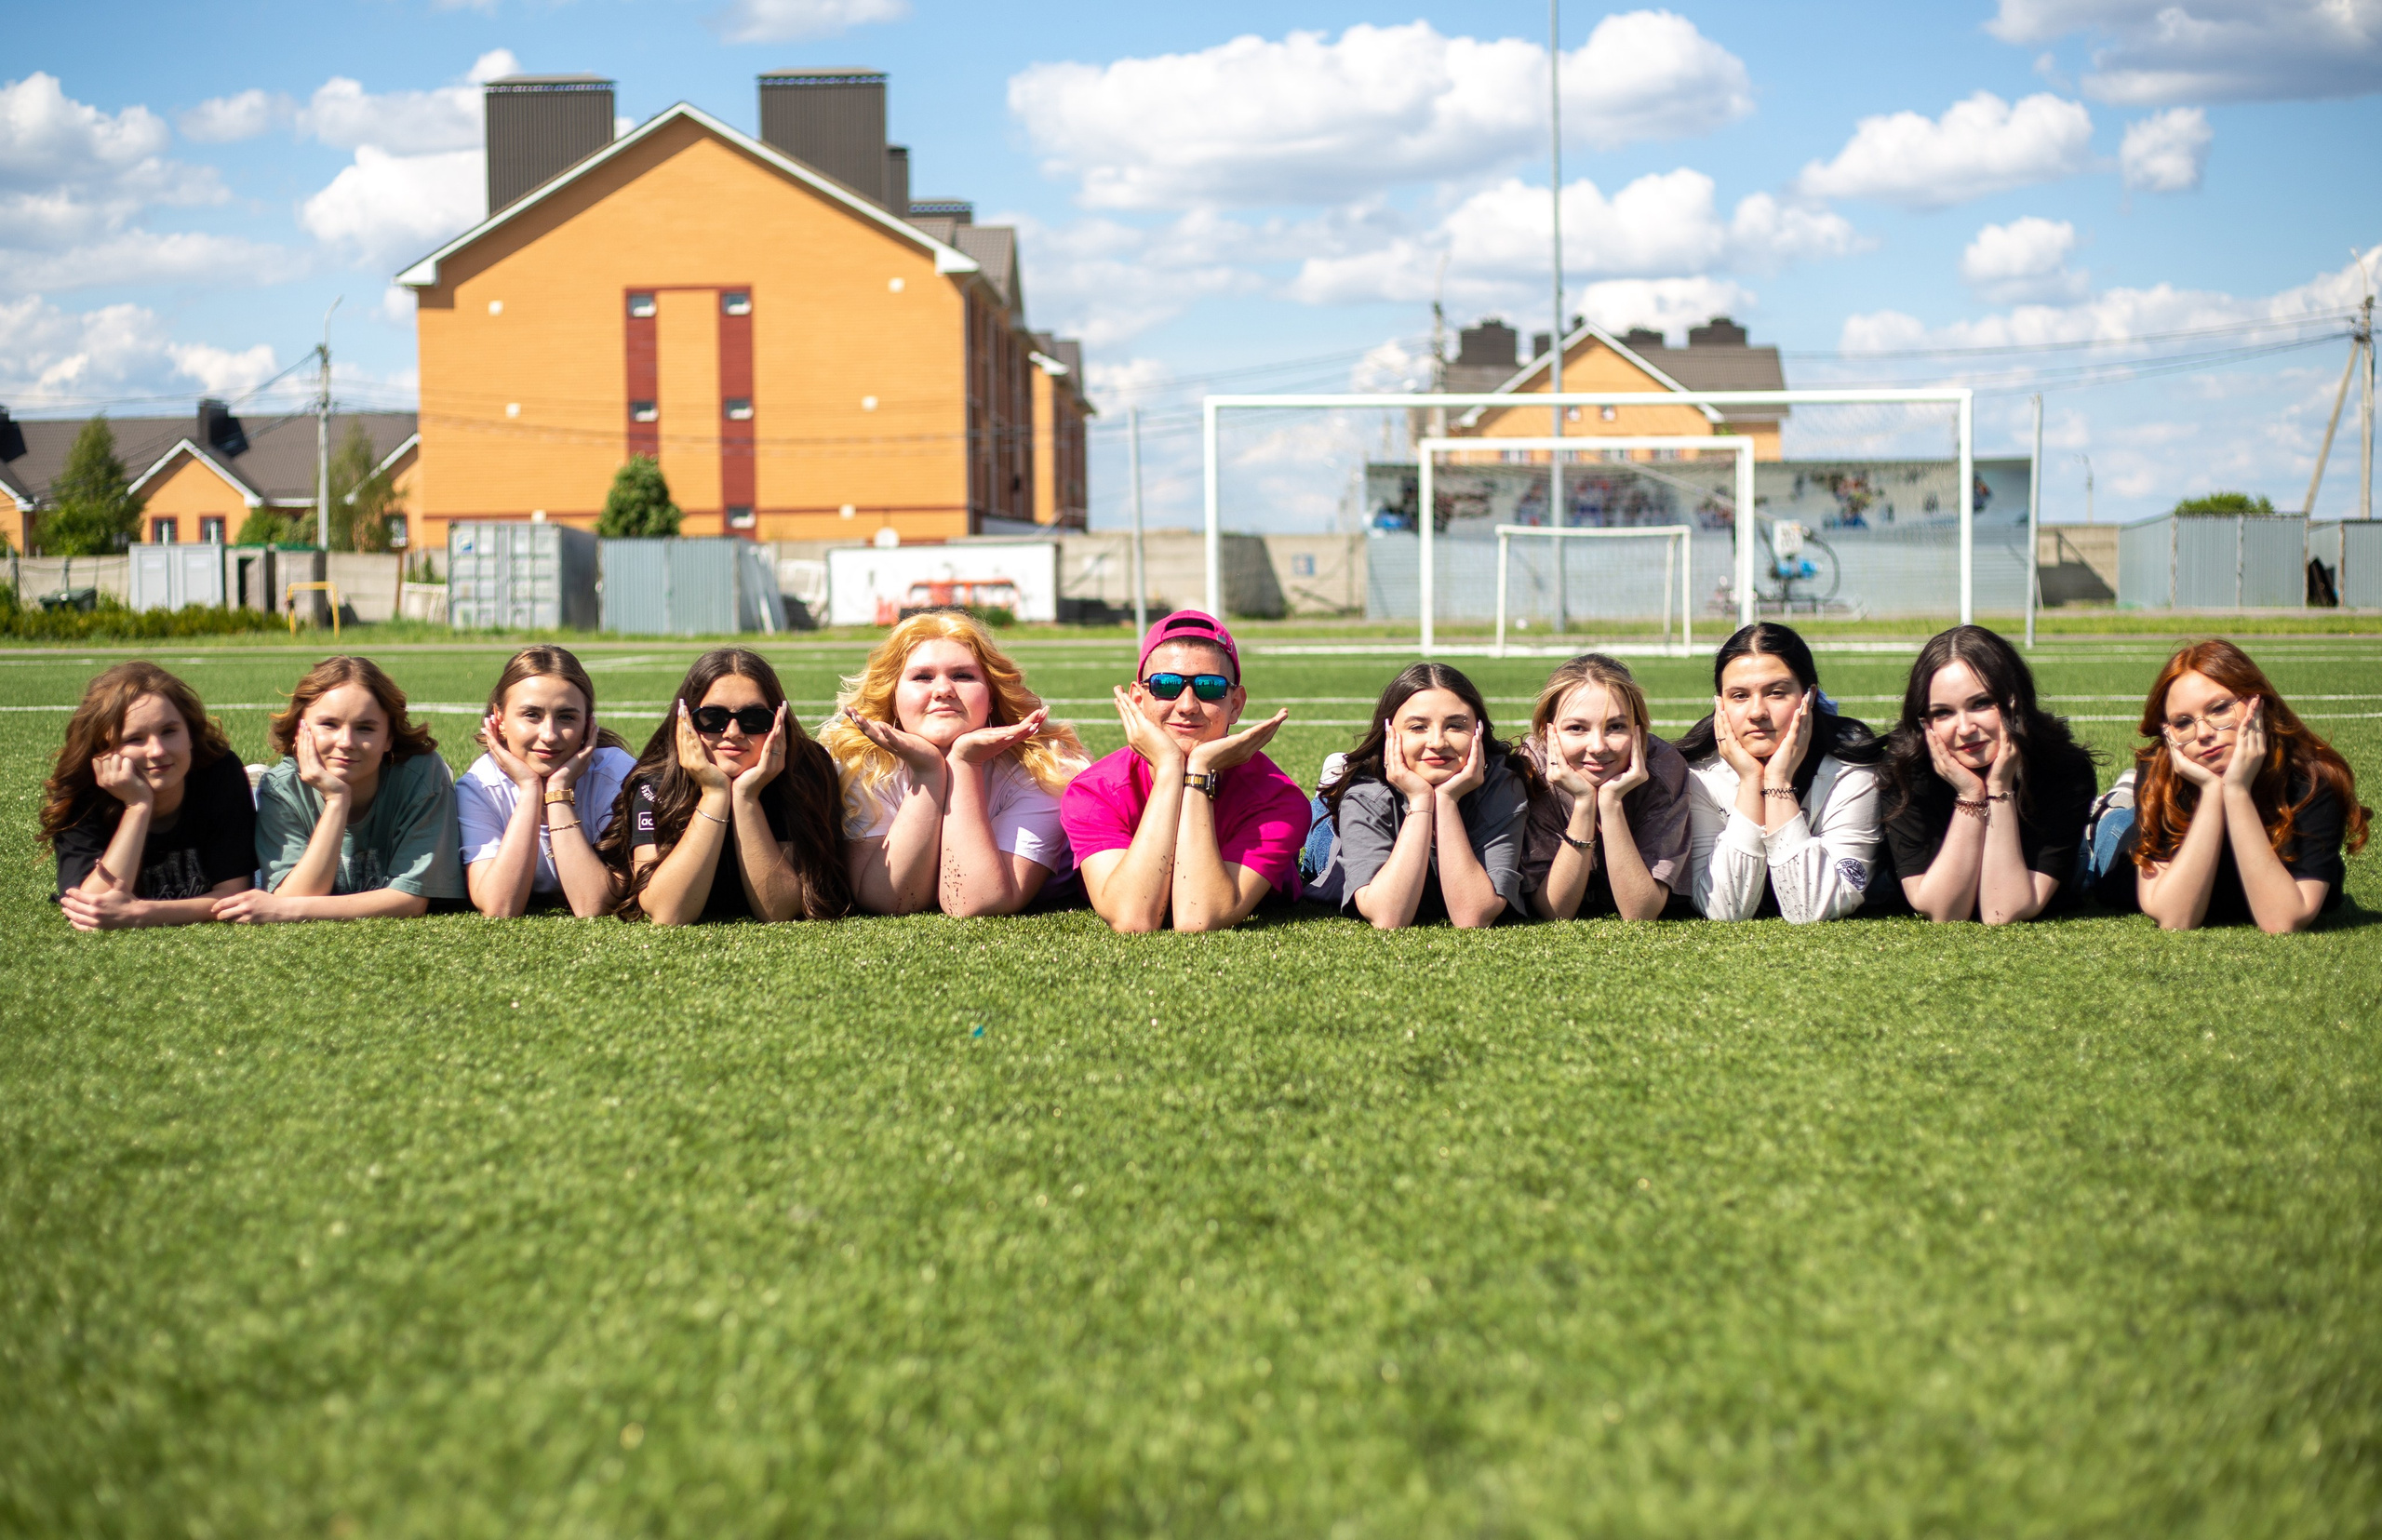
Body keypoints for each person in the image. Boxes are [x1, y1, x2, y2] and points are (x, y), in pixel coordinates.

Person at [821, 612, 1088, 916]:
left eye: (963, 676)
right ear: (893, 697)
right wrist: (929, 771)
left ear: (991, 698)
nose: (943, 690)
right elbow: (889, 898)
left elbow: (977, 901)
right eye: (922, 677)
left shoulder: (1044, 767)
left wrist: (964, 763)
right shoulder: (863, 763)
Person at [2094, 638, 2369, 932]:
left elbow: (2283, 920)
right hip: (2120, 837)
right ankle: (2114, 802)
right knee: (2112, 828)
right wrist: (2212, 790)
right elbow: (2176, 919)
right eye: (2183, 723)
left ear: (2256, 702)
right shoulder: (2161, 772)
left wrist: (2236, 790)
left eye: (2219, 708)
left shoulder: (2312, 782)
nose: (2202, 733)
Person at [1061, 609, 1306, 933]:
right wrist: (1168, 769)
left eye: (1209, 687)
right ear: (1138, 699)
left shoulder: (1278, 800)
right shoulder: (1094, 791)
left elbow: (1200, 917)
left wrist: (1199, 770)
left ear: (1235, 704)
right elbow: (1133, 918)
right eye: (1166, 685)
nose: (1187, 704)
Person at [596, 648, 850, 925]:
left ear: (778, 721)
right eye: (712, 718)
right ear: (686, 721)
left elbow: (779, 910)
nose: (733, 732)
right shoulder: (658, 779)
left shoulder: (804, 770)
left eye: (754, 719)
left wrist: (746, 797)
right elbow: (669, 912)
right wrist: (714, 794)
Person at [1881, 624, 2097, 924]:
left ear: (2014, 700)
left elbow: (2003, 911)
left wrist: (1999, 787)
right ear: (1925, 722)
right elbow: (1945, 911)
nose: (1966, 729)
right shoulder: (1904, 772)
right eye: (1943, 712)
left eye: (1981, 703)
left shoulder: (2064, 769)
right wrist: (1970, 794)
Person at [226, 655, 463, 922]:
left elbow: (409, 900)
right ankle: (256, 791)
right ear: (299, 730)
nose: (346, 742)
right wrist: (337, 800)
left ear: (388, 738)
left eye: (365, 728)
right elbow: (294, 894)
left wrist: (287, 909)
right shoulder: (282, 788)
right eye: (329, 724)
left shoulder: (421, 775)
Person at [1678, 622, 1885, 922]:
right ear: (1720, 704)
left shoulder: (1850, 771)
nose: (1757, 712)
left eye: (1776, 693)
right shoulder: (1699, 775)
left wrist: (1777, 781)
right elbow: (1726, 909)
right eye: (1739, 696)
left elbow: (1811, 908)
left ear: (1809, 696)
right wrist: (1751, 781)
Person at [1309, 663, 1530, 930]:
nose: (1437, 742)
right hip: (1337, 842)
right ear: (1390, 735)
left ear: (1478, 732)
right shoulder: (1367, 792)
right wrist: (1421, 801)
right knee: (1324, 838)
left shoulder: (1501, 785)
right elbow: (1387, 917)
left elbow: (1474, 916)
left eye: (1455, 726)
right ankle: (1334, 778)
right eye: (1418, 727)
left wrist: (1446, 800)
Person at [42, 662, 257, 930]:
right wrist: (138, 806)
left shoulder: (218, 771)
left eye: (169, 731)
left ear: (190, 733)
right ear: (102, 751)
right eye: (134, 739)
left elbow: (234, 895)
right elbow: (92, 907)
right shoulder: (82, 794)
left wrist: (142, 913)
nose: (156, 751)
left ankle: (256, 789)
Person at [457, 645, 637, 917]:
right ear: (500, 719)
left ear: (589, 724)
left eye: (566, 716)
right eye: (531, 715)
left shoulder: (617, 777)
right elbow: (500, 907)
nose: (550, 735)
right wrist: (530, 789)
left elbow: (594, 905)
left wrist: (558, 791)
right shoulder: (480, 787)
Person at [1515, 653, 1691, 922]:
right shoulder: (1532, 770)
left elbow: (1641, 912)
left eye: (1616, 727)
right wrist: (1584, 804)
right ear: (1547, 731)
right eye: (1576, 728)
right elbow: (1555, 911)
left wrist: (1611, 804)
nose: (1598, 747)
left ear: (1638, 730)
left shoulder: (1663, 768)